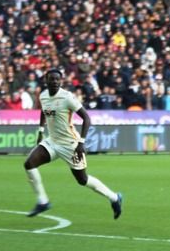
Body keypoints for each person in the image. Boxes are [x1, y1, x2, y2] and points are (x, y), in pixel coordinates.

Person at [24, 69, 123, 219]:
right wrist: (40, 131)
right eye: (52, 79)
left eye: (58, 79)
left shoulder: (67, 97)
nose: (55, 82)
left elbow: (86, 118)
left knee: (82, 180)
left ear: (61, 81)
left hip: (70, 144)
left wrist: (81, 143)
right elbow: (44, 111)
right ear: (46, 80)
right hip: (52, 141)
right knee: (29, 164)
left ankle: (114, 198)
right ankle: (43, 201)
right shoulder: (43, 96)